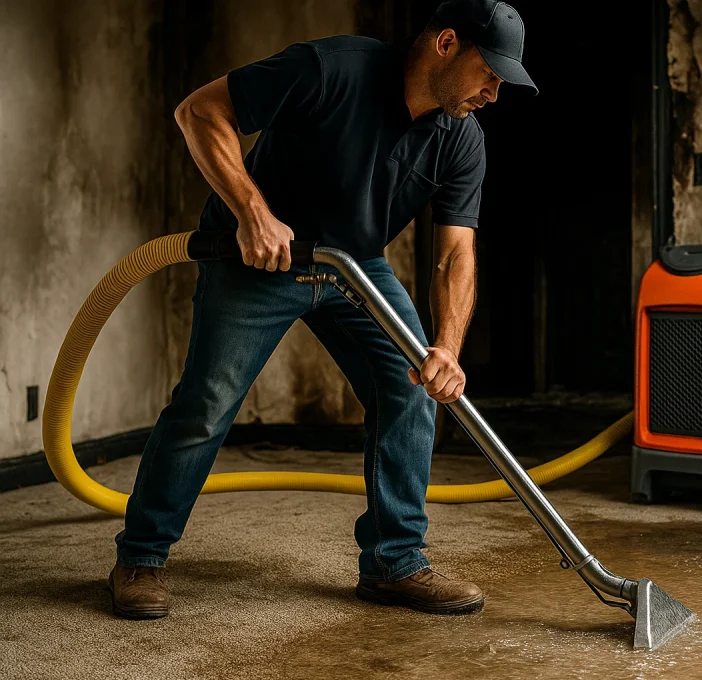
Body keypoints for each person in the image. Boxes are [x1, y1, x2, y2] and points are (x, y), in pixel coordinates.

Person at [107, 0, 537, 620]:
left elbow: (456, 255)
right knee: (208, 403)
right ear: (447, 44)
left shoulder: (461, 137)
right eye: (489, 73)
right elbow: (199, 111)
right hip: (258, 261)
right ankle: (140, 558)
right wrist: (252, 213)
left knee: (412, 387)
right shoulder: (332, 68)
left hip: (353, 267)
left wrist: (446, 347)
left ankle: (395, 563)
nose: (493, 93)